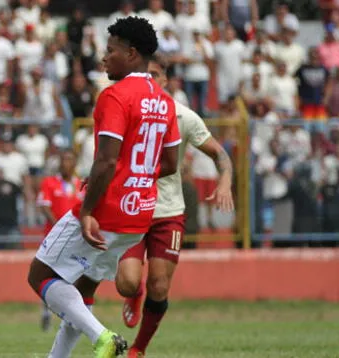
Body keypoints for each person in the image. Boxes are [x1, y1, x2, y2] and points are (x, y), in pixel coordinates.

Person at [47, 55, 235, 358]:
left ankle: (138, 349)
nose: (150, 79)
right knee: (127, 283)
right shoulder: (131, 110)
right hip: (132, 209)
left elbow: (219, 154)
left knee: (159, 286)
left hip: (168, 211)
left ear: (166, 81)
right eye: (145, 73)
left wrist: (225, 182)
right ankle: (133, 296)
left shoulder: (183, 116)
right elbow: (112, 158)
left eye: (156, 74)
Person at [27, 17, 180, 358]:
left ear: (132, 53)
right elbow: (170, 164)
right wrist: (136, 178)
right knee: (82, 289)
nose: (103, 58)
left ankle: (102, 337)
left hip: (108, 210)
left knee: (39, 275)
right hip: (139, 216)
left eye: (110, 51)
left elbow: (107, 161)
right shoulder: (165, 101)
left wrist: (86, 212)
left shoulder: (115, 95)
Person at [36, 150, 84, 331]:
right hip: (54, 237)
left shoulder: (81, 184)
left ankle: (71, 314)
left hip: (77, 239)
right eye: (63, 160)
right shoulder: (50, 182)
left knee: (73, 276)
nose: (66, 164)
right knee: (49, 275)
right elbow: (44, 206)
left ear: (75, 164)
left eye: (69, 160)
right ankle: (46, 312)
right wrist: (60, 227)